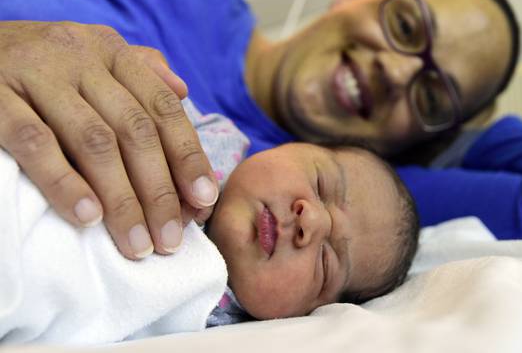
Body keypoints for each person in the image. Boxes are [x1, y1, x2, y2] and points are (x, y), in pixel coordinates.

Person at [1, 0, 522, 254]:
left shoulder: (338, 206)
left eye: (431, 96)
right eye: (407, 28)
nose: (398, 73)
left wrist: (465, 130)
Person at [0, 103, 420, 344]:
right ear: (289, 145)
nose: (309, 219)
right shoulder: (199, 135)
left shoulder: (221, 333)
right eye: (321, 183)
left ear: (310, 311)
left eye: (327, 262)